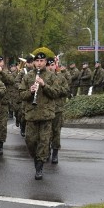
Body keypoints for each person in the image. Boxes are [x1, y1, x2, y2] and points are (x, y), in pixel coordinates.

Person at [19, 51, 63, 180]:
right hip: (31, 115)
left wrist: (44, 85)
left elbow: (56, 93)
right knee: (30, 141)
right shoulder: (27, 77)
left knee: (44, 142)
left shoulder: (52, 76)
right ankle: (36, 159)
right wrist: (30, 91)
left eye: (42, 61)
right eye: (37, 61)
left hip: (46, 115)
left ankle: (39, 167)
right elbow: (21, 95)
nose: (39, 63)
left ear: (45, 62)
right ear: (34, 63)